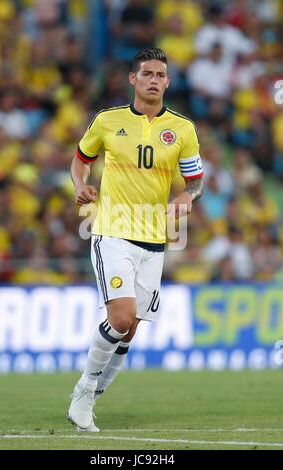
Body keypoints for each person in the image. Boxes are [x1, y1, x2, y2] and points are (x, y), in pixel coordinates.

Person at [68, 48, 204, 432]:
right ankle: (83, 391)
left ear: (168, 82)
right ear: (133, 79)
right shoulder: (108, 121)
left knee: (130, 329)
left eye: (161, 75)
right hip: (113, 232)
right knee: (121, 317)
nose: (154, 80)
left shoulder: (182, 130)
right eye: (147, 73)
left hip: (154, 240)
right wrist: (80, 185)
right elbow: (81, 158)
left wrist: (185, 197)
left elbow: (196, 182)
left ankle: (92, 396)